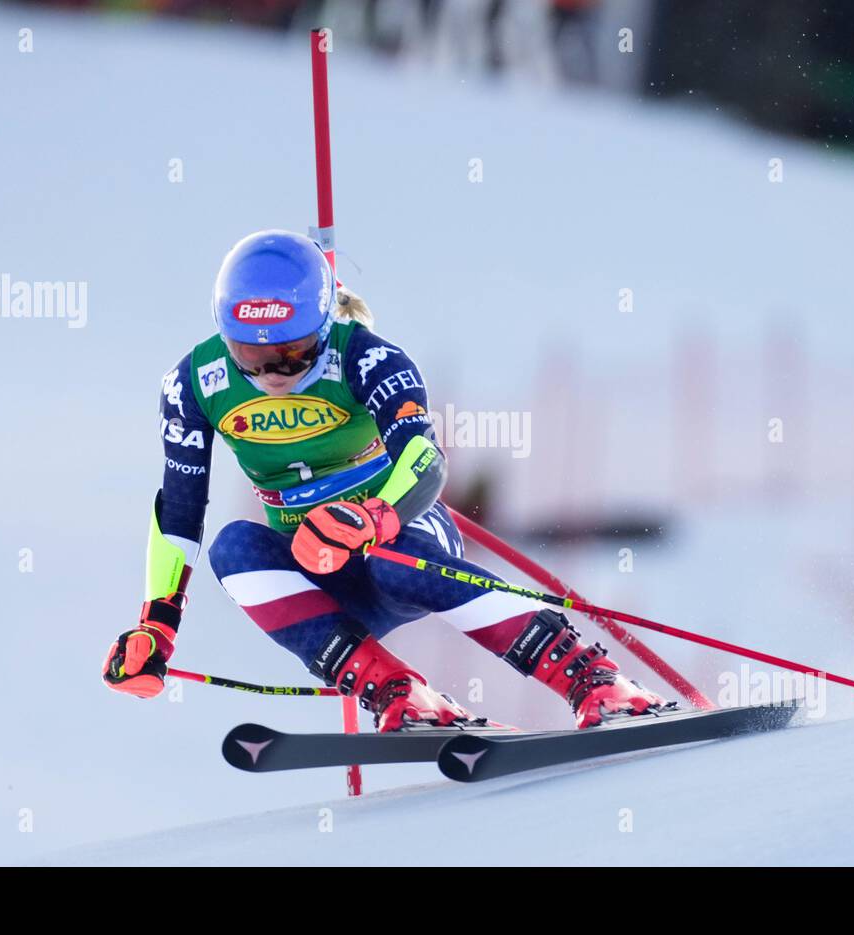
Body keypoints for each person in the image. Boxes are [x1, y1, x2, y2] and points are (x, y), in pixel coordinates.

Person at [102, 229, 666, 730]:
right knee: (234, 548)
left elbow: (425, 460)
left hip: (404, 539)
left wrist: (371, 518)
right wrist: (157, 625)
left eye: (293, 355)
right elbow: (180, 509)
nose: (273, 373)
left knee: (388, 560)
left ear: (324, 327)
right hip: (316, 569)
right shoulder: (195, 383)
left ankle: (589, 678)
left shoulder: (365, 358)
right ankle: (401, 692)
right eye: (251, 357)